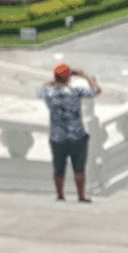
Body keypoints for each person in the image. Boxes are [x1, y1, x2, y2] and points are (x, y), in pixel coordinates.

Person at [39, 63, 99, 202]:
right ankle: (81, 196)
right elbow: (96, 90)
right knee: (79, 168)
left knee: (58, 168)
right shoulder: (75, 91)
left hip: (57, 135)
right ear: (68, 77)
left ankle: (60, 195)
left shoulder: (48, 92)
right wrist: (85, 76)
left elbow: (42, 88)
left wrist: (54, 81)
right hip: (76, 135)